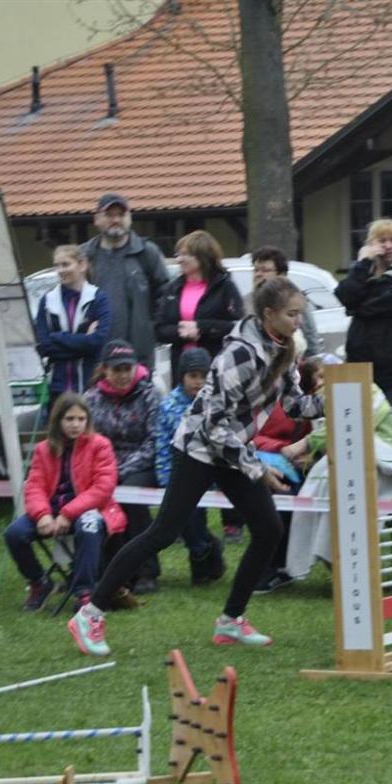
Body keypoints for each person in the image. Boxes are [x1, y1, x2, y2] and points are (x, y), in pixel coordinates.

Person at [67, 277, 323, 656]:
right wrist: (256, 468)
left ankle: (231, 620)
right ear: (269, 314)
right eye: (292, 314)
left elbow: (295, 405)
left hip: (231, 447)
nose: (299, 321)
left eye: (300, 313)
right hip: (200, 448)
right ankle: (89, 614)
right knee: (163, 532)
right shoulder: (238, 354)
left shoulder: (282, 348)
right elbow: (214, 426)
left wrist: (336, 398)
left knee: (268, 529)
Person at [284, 359, 392, 583]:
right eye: (317, 380)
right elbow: (331, 439)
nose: (322, 382)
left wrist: (303, 445)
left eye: (324, 375)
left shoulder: (368, 389)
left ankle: (348, 567)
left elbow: (349, 426)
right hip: (347, 462)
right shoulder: (324, 401)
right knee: (322, 485)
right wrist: (311, 454)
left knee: (339, 484)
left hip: (387, 464)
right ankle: (337, 565)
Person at [6, 393, 126, 612]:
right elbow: (34, 486)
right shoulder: (43, 449)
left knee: (88, 527)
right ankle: (40, 582)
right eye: (69, 419)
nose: (76, 424)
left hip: (92, 509)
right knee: (14, 534)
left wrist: (68, 514)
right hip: (51, 511)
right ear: (58, 421)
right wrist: (42, 515)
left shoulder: (101, 445)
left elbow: (103, 489)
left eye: (81, 419)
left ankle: (85, 593)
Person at [335, 218, 392, 456]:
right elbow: (345, 295)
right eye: (381, 240)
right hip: (362, 366)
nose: (388, 245)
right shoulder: (362, 272)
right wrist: (363, 263)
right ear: (370, 244)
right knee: (365, 437)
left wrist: (361, 308)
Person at [85, 339, 163, 594]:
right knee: (96, 497)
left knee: (131, 496)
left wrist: (120, 471)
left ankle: (146, 570)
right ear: (104, 370)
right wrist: (105, 471)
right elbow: (87, 441)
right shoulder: (91, 399)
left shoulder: (150, 395)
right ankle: (106, 569)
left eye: (127, 368)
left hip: (142, 464)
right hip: (102, 465)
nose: (122, 375)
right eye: (116, 369)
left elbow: (154, 443)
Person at [250, 354, 323, 594]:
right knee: (281, 503)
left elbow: (317, 439)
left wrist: (307, 454)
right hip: (264, 462)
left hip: (301, 468)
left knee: (293, 501)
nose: (323, 381)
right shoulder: (261, 397)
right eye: (320, 376)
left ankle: (282, 566)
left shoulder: (311, 401)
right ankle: (273, 567)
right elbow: (251, 437)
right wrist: (283, 449)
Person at [154, 346, 224, 586]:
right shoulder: (168, 405)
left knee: (196, 516)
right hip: (179, 472)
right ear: (181, 376)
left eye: (203, 376)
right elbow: (162, 443)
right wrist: (164, 476)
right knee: (184, 519)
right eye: (193, 376)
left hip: (209, 470)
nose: (198, 381)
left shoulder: (217, 402)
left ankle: (201, 559)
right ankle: (204, 549)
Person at [81, 192, 169, 367]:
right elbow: (70, 300)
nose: (116, 220)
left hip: (138, 356)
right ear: (96, 219)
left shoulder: (147, 253)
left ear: (130, 218)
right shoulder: (84, 256)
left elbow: (165, 293)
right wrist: (83, 330)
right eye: (109, 215)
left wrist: (150, 329)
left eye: (121, 215)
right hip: (96, 356)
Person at [155, 230, 244, 385]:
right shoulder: (173, 288)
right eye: (178, 255)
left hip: (217, 365)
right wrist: (181, 332)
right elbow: (159, 329)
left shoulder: (225, 287)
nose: (179, 259)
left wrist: (201, 328)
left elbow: (237, 327)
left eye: (185, 254)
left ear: (202, 256)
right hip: (182, 369)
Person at [33, 244, 111, 411]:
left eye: (66, 264)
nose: (61, 270)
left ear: (82, 265)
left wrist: (58, 337)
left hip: (90, 384)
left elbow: (97, 342)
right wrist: (84, 342)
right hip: (57, 387)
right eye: (57, 265)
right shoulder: (47, 301)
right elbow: (44, 346)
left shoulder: (98, 299)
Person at [252, 246, 323, 357]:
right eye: (256, 270)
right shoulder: (247, 302)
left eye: (265, 270)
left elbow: (311, 345)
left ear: (282, 275)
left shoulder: (295, 302)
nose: (258, 274)